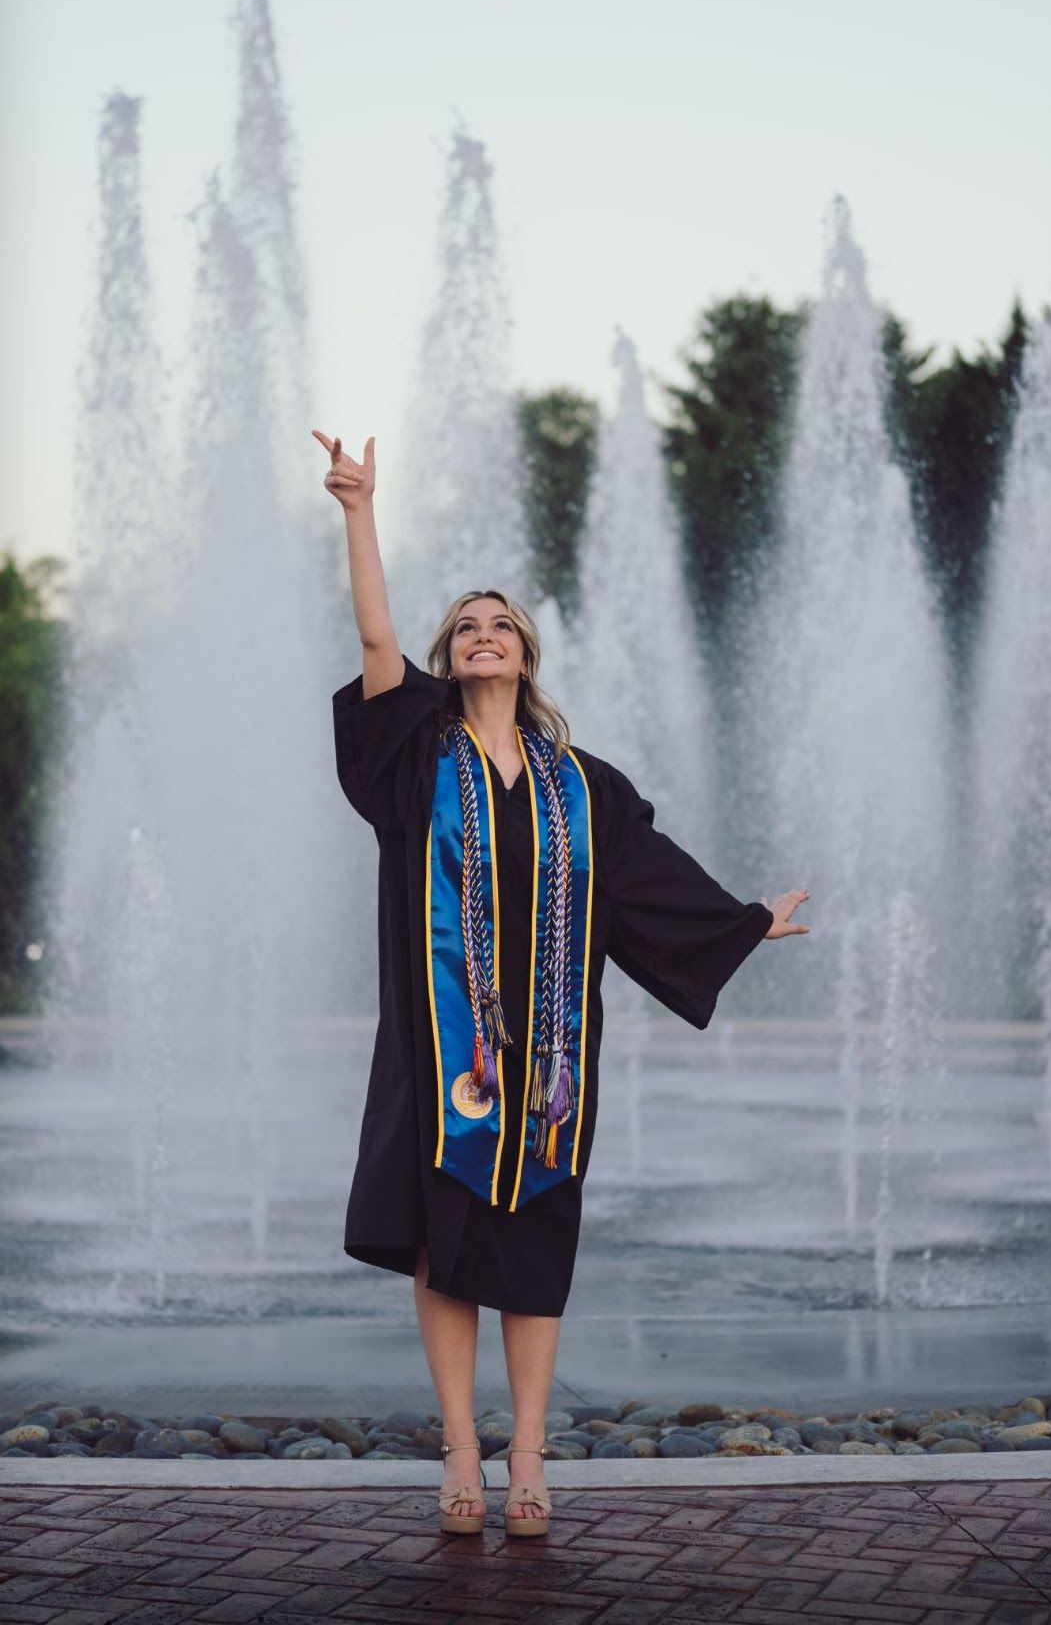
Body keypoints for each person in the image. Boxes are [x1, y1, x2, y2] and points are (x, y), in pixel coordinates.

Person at [314, 428, 811, 1536]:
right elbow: (373, 635)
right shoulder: (413, 756)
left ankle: (528, 1455)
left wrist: (741, 922)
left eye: (503, 626)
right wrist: (358, 511)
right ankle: (459, 1453)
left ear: (526, 657)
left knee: (535, 1247)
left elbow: (647, 881)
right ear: (452, 655)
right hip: (443, 1059)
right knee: (446, 1252)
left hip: (548, 1073)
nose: (484, 635)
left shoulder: (584, 785)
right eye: (468, 627)